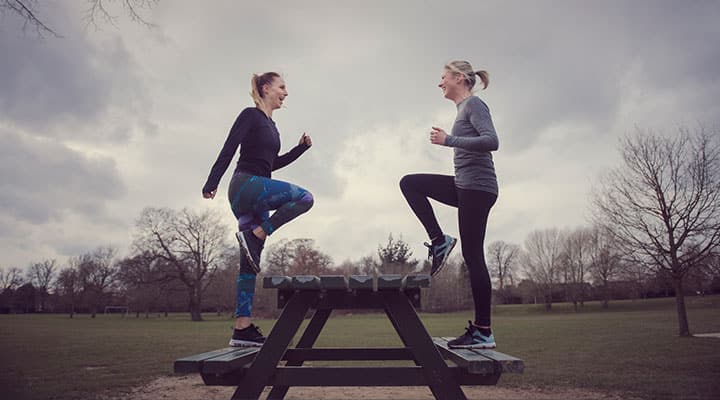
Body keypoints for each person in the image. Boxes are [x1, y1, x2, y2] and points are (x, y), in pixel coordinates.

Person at [202, 72, 314, 347]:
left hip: (258, 195)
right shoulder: (250, 115)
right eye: (282, 87)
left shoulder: (272, 127)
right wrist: (212, 181)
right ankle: (258, 234)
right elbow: (229, 148)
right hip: (244, 187)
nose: (286, 93)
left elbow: (270, 165)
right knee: (305, 198)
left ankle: (242, 329)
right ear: (266, 88)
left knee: (249, 266)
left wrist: (299, 150)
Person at [399, 60, 499, 349]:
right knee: (410, 183)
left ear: (458, 78)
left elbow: (492, 141)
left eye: (443, 77)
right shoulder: (463, 109)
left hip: (477, 189)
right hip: (465, 185)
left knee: (473, 256)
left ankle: (483, 331)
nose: (440, 83)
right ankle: (439, 240)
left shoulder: (474, 105)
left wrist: (449, 140)